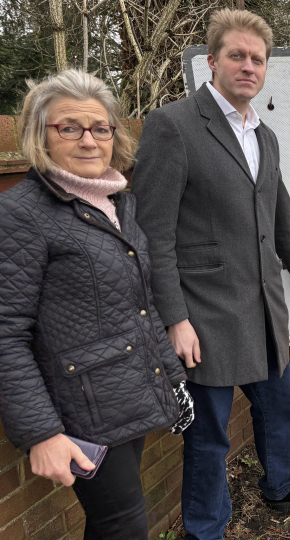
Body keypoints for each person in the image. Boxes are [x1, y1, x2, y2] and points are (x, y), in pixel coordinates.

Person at [131, 9, 290, 539]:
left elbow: (280, 213)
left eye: (257, 59)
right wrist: (174, 319)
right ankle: (205, 529)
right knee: (209, 439)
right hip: (205, 314)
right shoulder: (173, 126)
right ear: (212, 62)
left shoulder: (264, 135)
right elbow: (151, 235)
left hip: (264, 306)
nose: (248, 66)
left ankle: (280, 486)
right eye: (237, 56)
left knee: (281, 409)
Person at [0, 69, 191, 539]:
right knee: (122, 525)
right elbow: (5, 331)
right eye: (69, 127)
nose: (89, 140)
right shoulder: (21, 215)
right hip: (81, 409)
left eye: (100, 128)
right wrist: (40, 433)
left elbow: (141, 302)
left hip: (129, 395)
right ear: (39, 136)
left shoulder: (115, 203)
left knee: (116, 523)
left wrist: (172, 378)